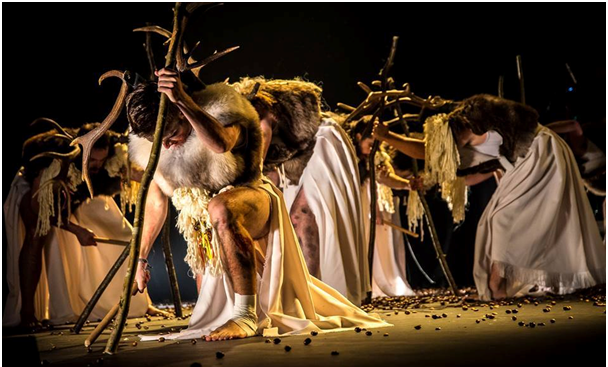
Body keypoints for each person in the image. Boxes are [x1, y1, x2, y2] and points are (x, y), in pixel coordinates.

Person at [128, 69, 389, 342]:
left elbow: (222, 144)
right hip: (207, 225)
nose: (167, 145)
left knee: (220, 208)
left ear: (183, 114)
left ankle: (245, 316)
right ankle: (238, 306)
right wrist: (141, 259)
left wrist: (182, 100)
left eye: (172, 133)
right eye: (159, 140)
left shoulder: (223, 111)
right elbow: (155, 201)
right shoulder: (161, 148)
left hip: (252, 198)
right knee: (209, 304)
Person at [374, 94, 606, 300]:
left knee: (503, 219)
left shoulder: (473, 121)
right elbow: (466, 176)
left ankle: (498, 286)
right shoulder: (468, 149)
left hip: (540, 154)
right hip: (525, 162)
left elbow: (427, 151)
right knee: (491, 222)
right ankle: (497, 285)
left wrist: (388, 137)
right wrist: (424, 183)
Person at [233, 78, 370, 305]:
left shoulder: (255, 107)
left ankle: (313, 294)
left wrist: (251, 178)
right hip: (295, 159)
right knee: (290, 219)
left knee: (302, 215)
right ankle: (309, 290)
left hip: (320, 144)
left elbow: (264, 134)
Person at [3, 124, 152, 329]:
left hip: (77, 193)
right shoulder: (56, 162)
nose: (97, 165)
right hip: (38, 195)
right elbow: (38, 206)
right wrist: (76, 230)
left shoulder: (112, 156)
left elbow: (135, 174)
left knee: (121, 230)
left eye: (101, 160)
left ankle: (139, 303)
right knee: (37, 232)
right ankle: (27, 312)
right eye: (92, 160)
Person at [348, 116, 417, 297]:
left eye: (375, 144)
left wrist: (406, 184)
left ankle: (381, 280)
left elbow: (386, 178)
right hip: (357, 202)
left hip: (374, 202)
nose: (372, 148)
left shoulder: (377, 157)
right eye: (370, 143)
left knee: (380, 243)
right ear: (358, 137)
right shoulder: (348, 155)